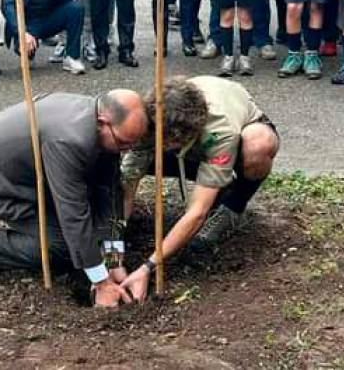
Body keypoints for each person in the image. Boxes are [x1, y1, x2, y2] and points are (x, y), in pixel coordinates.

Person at [0, 89, 148, 308]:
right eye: (123, 143)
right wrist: (102, 282)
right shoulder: (70, 139)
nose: (126, 151)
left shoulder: (99, 125)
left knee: (85, 238)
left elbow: (108, 191)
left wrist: (113, 260)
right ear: (103, 122)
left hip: (31, 171)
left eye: (132, 145)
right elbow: (73, 213)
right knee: (62, 248)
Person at [118, 76, 280, 301]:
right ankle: (214, 183)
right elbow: (125, 191)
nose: (163, 145)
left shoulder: (221, 130)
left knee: (259, 144)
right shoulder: (147, 120)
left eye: (170, 142)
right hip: (185, 142)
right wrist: (112, 255)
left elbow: (196, 213)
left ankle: (231, 207)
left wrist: (148, 267)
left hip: (232, 139)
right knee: (128, 161)